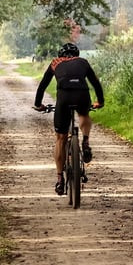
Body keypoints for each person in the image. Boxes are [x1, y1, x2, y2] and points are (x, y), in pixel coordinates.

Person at [33, 43, 104, 195]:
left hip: (64, 97)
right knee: (84, 115)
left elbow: (42, 85)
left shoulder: (55, 62)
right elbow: (95, 83)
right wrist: (100, 101)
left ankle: (60, 180)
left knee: (60, 138)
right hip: (82, 94)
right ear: (76, 54)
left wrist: (38, 104)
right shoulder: (83, 62)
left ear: (61, 55)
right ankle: (85, 141)